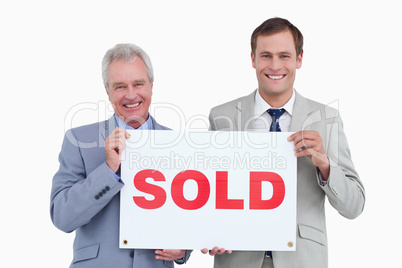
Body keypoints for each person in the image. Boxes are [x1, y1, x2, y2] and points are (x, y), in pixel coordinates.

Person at [204, 17, 365, 268]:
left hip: (302, 259)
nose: (275, 65)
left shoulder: (327, 119)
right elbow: (207, 191)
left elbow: (354, 206)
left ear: (299, 59)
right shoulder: (222, 117)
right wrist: (208, 232)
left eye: (285, 56)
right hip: (237, 258)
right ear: (253, 59)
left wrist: (325, 166)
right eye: (266, 55)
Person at [50, 43, 191, 267]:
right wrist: (108, 169)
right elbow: (62, 218)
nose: (131, 95)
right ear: (107, 91)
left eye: (138, 83)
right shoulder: (79, 140)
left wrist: (184, 248)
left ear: (152, 86)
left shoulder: (179, 144)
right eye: (120, 87)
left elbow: (193, 212)